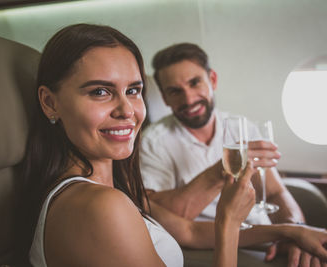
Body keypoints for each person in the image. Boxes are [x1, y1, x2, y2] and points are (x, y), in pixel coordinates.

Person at [17, 23, 260, 267]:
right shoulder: (100, 206)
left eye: (133, 90)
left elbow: (189, 231)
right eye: (100, 91)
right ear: (49, 102)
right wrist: (228, 223)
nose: (127, 110)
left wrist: (288, 232)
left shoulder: (117, 190)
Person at [140, 42, 327, 266]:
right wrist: (220, 171)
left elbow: (275, 193)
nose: (189, 99)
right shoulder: (152, 143)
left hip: (271, 237)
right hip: (217, 245)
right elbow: (168, 220)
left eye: (195, 83)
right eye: (175, 91)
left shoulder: (241, 127)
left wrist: (296, 230)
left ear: (213, 80)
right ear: (165, 97)